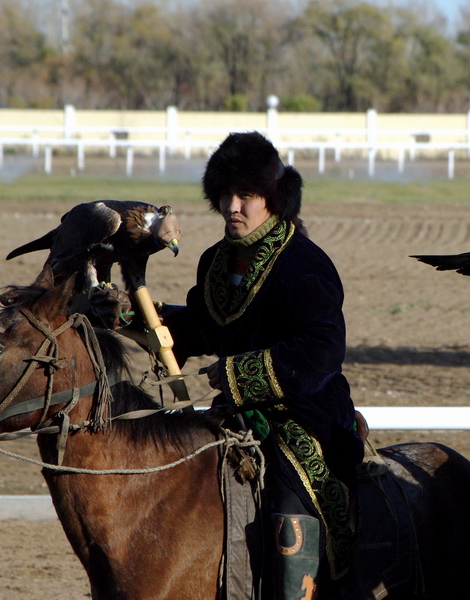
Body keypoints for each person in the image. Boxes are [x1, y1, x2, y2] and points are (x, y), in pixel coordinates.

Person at [155, 131, 365, 599]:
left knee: (290, 512)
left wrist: (235, 374)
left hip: (304, 418)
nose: (233, 206)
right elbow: (208, 326)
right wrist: (142, 317)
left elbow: (322, 352)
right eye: (225, 195)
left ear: (272, 198)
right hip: (233, 413)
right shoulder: (215, 261)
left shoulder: (304, 264)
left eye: (246, 195)